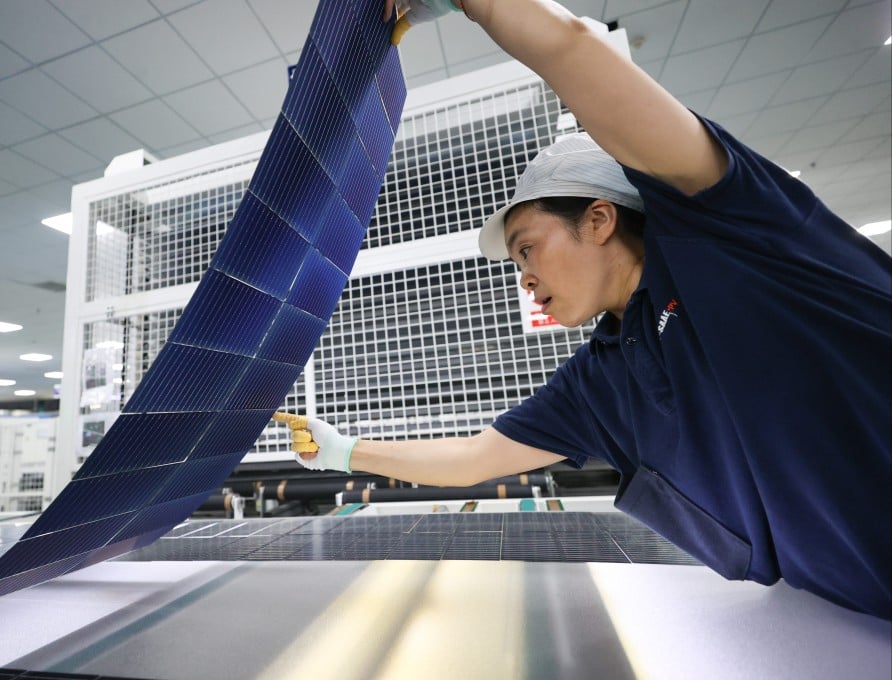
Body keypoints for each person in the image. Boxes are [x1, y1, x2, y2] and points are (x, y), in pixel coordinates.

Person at [277, 0, 892, 620]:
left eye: (527, 249)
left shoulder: (736, 236)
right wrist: (346, 452)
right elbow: (474, 460)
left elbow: (572, 48)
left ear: (598, 219)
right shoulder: (602, 381)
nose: (525, 278)